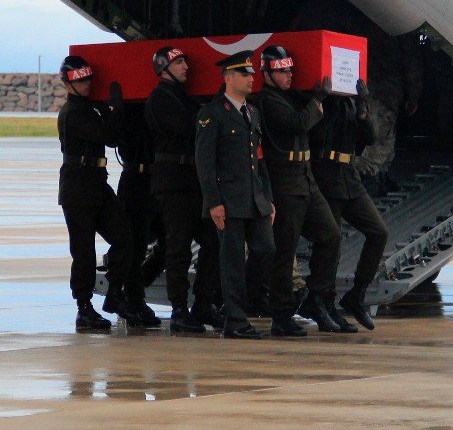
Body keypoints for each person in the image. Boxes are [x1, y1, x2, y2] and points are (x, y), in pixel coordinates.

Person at [253, 45, 355, 335]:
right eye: (282, 70)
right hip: (284, 183)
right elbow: (298, 124)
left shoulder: (291, 98)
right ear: (268, 74)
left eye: (290, 69)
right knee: (285, 251)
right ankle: (282, 316)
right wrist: (317, 100)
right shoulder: (266, 101)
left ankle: (318, 298)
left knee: (331, 235)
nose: (288, 75)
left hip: (306, 179)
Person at [56, 56, 146, 329]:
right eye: (79, 79)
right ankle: (83, 308)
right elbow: (105, 135)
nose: (85, 83)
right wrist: (116, 110)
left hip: (96, 183)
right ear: (68, 83)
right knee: (83, 252)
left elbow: (112, 135)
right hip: (77, 187)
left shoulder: (90, 108)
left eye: (87, 78)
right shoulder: (72, 113)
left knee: (124, 238)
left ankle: (114, 293)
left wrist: (110, 111)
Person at [195, 50, 276, 340]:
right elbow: (205, 163)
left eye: (252, 73)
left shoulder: (252, 113)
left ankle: (244, 303)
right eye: (245, 74)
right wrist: (214, 202)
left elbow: (259, 160)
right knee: (230, 262)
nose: (251, 78)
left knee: (265, 249)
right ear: (228, 78)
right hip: (228, 201)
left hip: (254, 199)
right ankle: (235, 320)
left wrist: (267, 199)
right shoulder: (212, 114)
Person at [145, 46, 223, 334]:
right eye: (179, 62)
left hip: (192, 182)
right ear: (163, 67)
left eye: (185, 61)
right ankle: (179, 309)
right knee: (177, 248)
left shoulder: (182, 96)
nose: (185, 66)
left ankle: (203, 303)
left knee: (213, 242)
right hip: (174, 184)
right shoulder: (160, 98)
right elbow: (192, 127)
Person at [309, 66, 387, 332]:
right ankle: (322, 301)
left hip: (348, 176)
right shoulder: (324, 103)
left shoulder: (351, 104)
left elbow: (368, 139)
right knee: (331, 241)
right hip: (327, 175)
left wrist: (363, 107)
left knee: (378, 232)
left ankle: (357, 294)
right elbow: (318, 135)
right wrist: (323, 98)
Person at [114, 93, 166, 327]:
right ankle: (134, 299)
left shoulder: (160, 104)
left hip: (157, 180)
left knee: (169, 244)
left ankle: (133, 291)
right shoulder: (129, 109)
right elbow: (115, 138)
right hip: (135, 178)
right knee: (134, 246)